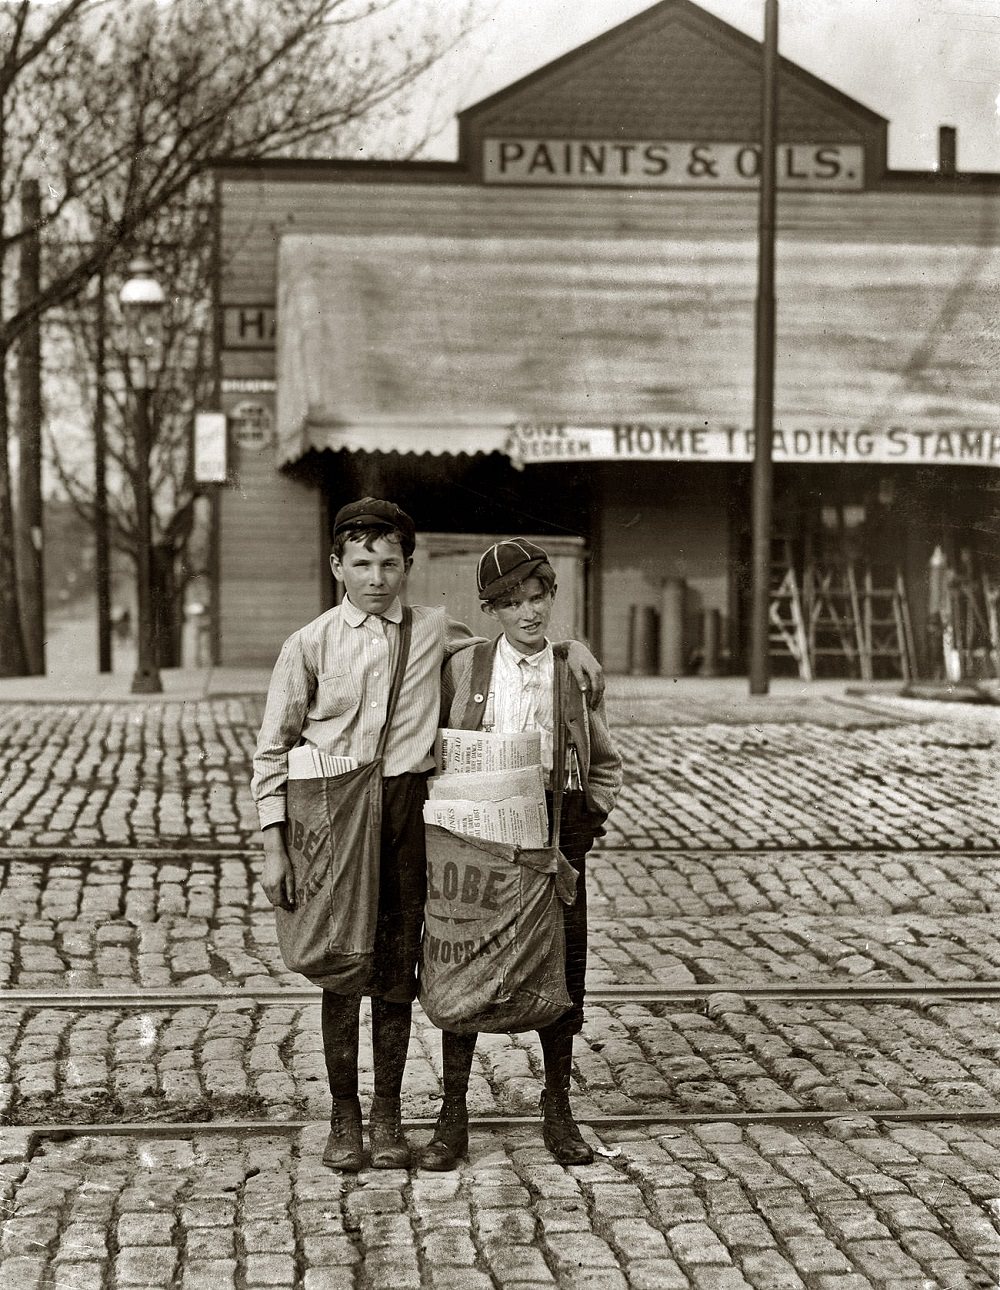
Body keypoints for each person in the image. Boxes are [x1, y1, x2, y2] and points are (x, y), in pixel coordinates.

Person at [251, 500, 604, 1172]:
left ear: (408, 568)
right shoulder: (310, 644)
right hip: (334, 814)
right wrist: (274, 842)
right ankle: (343, 1119)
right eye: (361, 564)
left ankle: (387, 1120)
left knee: (397, 965)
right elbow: (273, 746)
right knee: (339, 964)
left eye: (389, 563)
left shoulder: (433, 630)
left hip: (409, 813)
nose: (376, 578)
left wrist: (568, 647)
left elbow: (509, 646)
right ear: (337, 567)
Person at [421, 538, 622, 1170]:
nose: (528, 614)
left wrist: (586, 823)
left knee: (562, 972)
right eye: (511, 604)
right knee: (465, 967)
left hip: (551, 847)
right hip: (476, 845)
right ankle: (453, 1115)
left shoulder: (573, 675)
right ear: (493, 610)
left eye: (538, 599)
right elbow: (432, 637)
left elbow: (606, 762)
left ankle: (558, 1110)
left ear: (552, 598)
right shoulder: (467, 666)